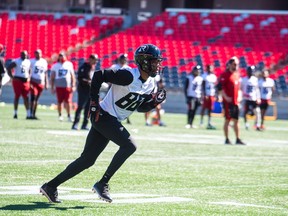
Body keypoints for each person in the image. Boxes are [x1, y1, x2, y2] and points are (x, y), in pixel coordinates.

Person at [40, 44, 166, 203]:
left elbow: (138, 107)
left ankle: (50, 186)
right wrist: (94, 102)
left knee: (87, 160)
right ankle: (103, 183)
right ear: (144, 61)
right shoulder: (128, 76)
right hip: (103, 115)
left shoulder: (150, 84)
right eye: (154, 62)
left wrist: (153, 103)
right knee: (129, 146)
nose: (157, 65)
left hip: (110, 119)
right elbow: (99, 75)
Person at [219, 57, 245, 145]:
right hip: (228, 102)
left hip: (236, 102)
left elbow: (239, 89)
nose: (236, 66)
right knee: (227, 120)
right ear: (229, 64)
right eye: (234, 64)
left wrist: (239, 97)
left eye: (237, 64)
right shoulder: (225, 75)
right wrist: (226, 97)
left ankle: (238, 138)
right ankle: (227, 139)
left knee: (236, 120)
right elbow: (220, 88)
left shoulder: (237, 75)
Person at [72, 54, 99, 130]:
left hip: (90, 91)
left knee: (88, 108)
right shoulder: (83, 67)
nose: (96, 62)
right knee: (80, 107)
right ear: (90, 59)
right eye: (95, 60)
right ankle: (75, 124)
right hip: (83, 90)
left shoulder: (92, 68)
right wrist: (89, 82)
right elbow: (80, 78)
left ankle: (84, 124)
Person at [50, 52, 76, 122]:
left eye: (62, 56)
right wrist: (52, 87)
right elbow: (52, 77)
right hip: (59, 86)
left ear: (65, 56)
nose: (61, 57)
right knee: (59, 101)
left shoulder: (69, 64)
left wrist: (73, 85)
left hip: (67, 86)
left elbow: (72, 75)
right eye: (60, 56)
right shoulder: (55, 65)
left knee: (68, 101)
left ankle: (69, 115)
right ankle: (60, 115)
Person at [7, 50, 31, 119]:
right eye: (23, 54)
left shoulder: (28, 62)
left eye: (25, 54)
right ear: (20, 55)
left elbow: (29, 70)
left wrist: (29, 76)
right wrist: (12, 77)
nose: (24, 56)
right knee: (17, 97)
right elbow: (9, 68)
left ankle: (28, 114)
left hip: (25, 81)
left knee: (26, 97)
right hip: (18, 80)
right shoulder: (16, 61)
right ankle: (15, 113)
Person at [110, 53, 132, 124]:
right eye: (123, 59)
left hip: (125, 89)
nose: (124, 60)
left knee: (126, 104)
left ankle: (127, 118)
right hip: (114, 88)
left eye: (125, 59)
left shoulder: (128, 68)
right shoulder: (114, 67)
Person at [29, 49, 48, 119]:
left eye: (39, 53)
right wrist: (29, 82)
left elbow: (45, 73)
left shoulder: (44, 62)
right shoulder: (31, 61)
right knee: (33, 97)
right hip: (33, 81)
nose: (38, 54)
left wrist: (46, 83)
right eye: (36, 53)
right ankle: (30, 113)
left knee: (36, 99)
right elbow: (29, 72)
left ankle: (33, 113)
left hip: (41, 82)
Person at [241, 65, 261, 131]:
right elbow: (241, 89)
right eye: (249, 71)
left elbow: (257, 90)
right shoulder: (244, 79)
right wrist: (243, 95)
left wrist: (258, 98)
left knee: (257, 111)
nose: (250, 72)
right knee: (245, 112)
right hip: (246, 99)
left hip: (253, 98)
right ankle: (246, 123)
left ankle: (257, 125)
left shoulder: (255, 80)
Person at [200, 65, 217, 129]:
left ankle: (209, 122)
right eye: (209, 68)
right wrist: (204, 94)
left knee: (210, 109)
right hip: (206, 94)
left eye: (211, 68)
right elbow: (203, 86)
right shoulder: (204, 76)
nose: (210, 69)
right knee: (204, 108)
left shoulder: (214, 77)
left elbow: (215, 87)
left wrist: (215, 94)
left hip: (212, 94)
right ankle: (201, 121)